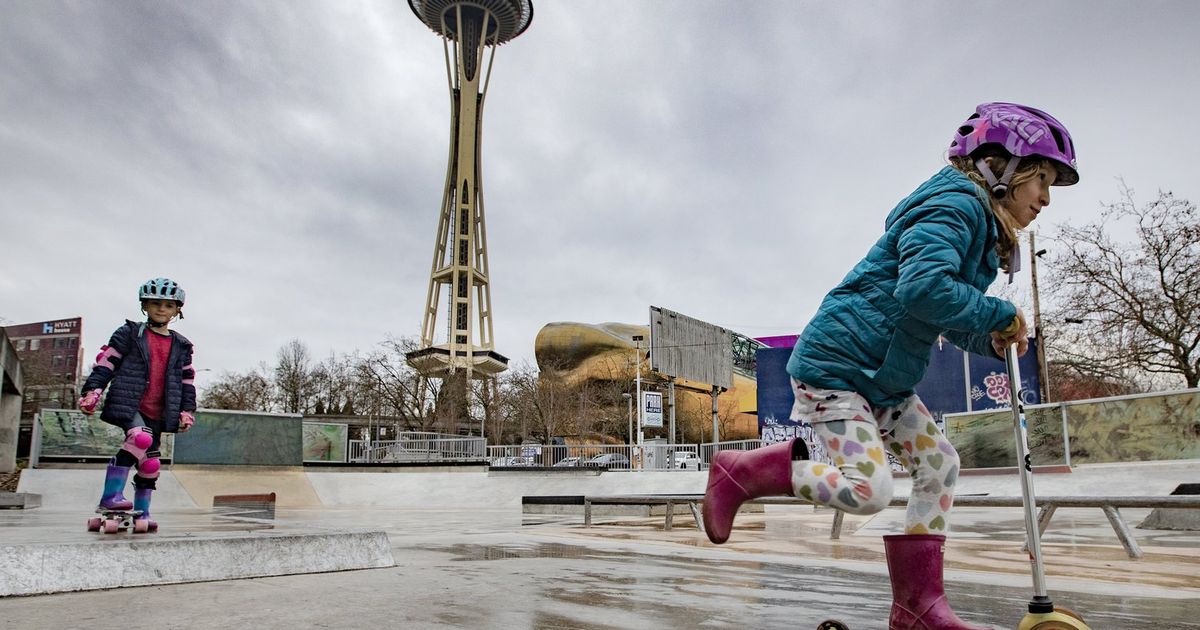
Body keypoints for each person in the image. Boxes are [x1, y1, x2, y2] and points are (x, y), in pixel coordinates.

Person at [702, 102, 1078, 629]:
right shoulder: (954, 206)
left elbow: (944, 313)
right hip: (837, 367)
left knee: (939, 465)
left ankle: (916, 608)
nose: (1044, 199)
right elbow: (923, 289)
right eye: (1041, 181)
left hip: (887, 379)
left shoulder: (981, 230)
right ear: (1003, 168)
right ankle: (741, 472)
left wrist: (992, 340)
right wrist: (998, 311)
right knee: (868, 489)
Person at [79, 278, 197, 531]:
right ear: (145, 305)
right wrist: (93, 391)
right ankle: (110, 497)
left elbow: (187, 381)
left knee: (151, 464)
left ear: (178, 310)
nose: (161, 309)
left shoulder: (181, 345)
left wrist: (187, 411)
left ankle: (142, 511)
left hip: (160, 410)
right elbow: (106, 364)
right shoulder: (130, 334)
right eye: (155, 303)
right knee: (139, 438)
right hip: (130, 403)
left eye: (168, 305)